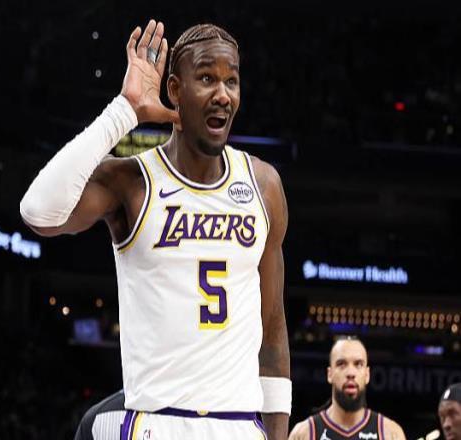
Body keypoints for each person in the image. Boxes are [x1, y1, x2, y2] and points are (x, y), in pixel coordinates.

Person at [20, 19, 291, 440]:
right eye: (207, 78)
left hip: (239, 423)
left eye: (232, 81)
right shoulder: (133, 181)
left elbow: (272, 334)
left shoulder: (264, 185)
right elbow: (38, 212)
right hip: (157, 419)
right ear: (175, 91)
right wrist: (124, 110)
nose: (223, 94)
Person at [288, 337, 405, 440]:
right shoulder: (303, 434)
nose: (350, 373)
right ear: (329, 374)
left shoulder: (390, 434)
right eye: (341, 364)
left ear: (367, 374)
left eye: (358, 364)